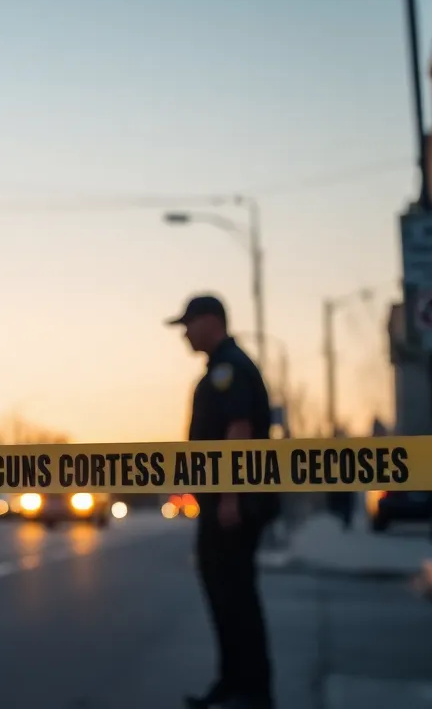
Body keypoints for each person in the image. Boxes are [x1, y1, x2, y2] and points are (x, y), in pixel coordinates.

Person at [167, 294, 277, 709]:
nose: (184, 335)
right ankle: (235, 683)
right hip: (224, 501)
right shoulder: (222, 367)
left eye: (188, 325)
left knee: (234, 596)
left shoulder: (229, 370)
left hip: (233, 504)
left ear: (211, 322)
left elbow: (239, 431)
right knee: (226, 594)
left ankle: (249, 690)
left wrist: (231, 495)